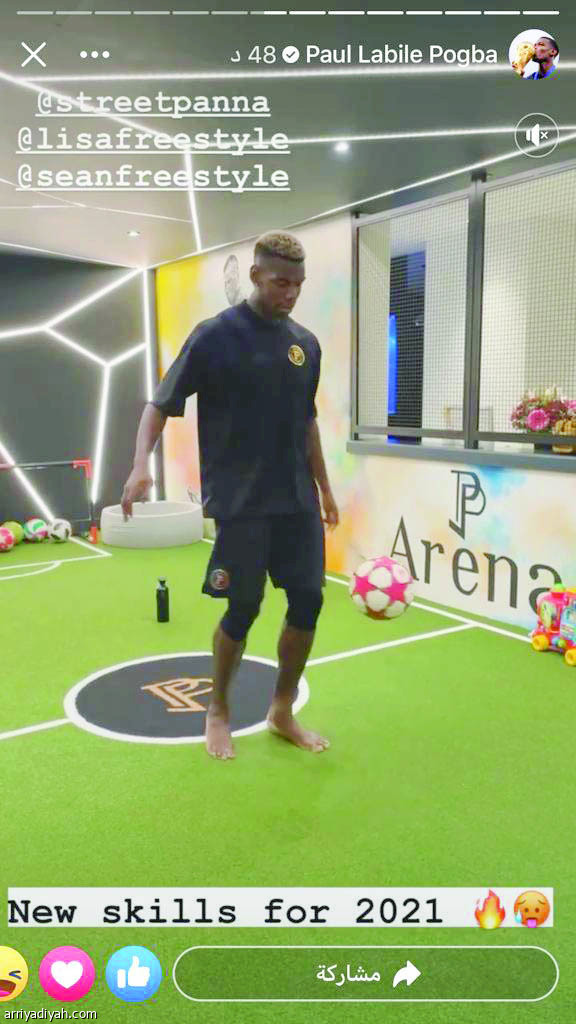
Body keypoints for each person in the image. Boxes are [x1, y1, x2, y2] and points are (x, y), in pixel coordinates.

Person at [121, 230, 339, 761]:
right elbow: (160, 404)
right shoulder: (214, 336)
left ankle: (281, 710)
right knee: (243, 607)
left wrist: (325, 488)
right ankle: (217, 708)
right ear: (256, 275)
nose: (291, 293)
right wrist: (140, 465)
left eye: (299, 284)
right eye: (281, 282)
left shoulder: (305, 344)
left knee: (308, 601)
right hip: (241, 501)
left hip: (296, 499)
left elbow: (307, 421)